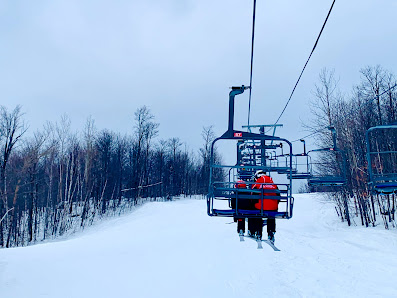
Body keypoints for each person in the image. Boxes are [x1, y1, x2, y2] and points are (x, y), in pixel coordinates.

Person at [249, 170, 279, 242]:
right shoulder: (273, 184)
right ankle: (271, 232)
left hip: (261, 206)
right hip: (273, 207)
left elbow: (253, 196)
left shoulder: (257, 183)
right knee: (271, 216)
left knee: (257, 214)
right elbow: (278, 196)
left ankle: (258, 232)